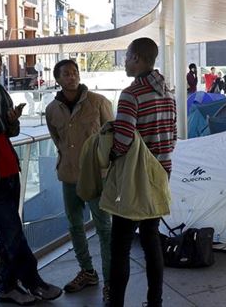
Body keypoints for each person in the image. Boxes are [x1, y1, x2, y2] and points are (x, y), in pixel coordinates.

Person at [0, 43, 62, 304]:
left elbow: (11, 132)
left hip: (11, 169)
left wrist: (11, 119)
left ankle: (7, 286)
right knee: (12, 233)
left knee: (11, 233)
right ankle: (33, 282)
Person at [110, 37, 177, 307]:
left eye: (126, 56)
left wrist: (110, 156)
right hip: (161, 173)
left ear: (137, 58)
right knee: (151, 240)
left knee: (120, 246)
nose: (125, 61)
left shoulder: (131, 94)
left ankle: (115, 303)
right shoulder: (168, 93)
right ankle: (155, 302)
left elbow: (123, 141)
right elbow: (172, 137)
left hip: (135, 179)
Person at [45, 59, 114, 301]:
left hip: (96, 175)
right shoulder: (52, 109)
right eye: (65, 73)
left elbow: (111, 136)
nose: (71, 76)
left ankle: (110, 282)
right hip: (68, 176)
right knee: (74, 225)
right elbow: (58, 140)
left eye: (74, 72)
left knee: (104, 228)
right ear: (58, 79)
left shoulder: (98, 102)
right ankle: (87, 271)